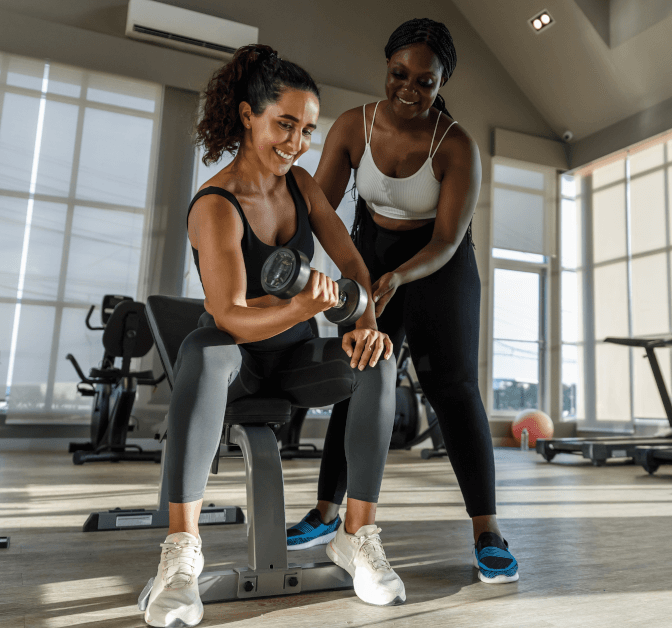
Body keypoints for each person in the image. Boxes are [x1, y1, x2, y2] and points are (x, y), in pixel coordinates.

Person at [143, 44, 404, 628]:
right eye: (284, 124)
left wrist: (365, 326)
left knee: (379, 362)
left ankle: (355, 536)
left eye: (307, 129)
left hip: (292, 361)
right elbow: (231, 315)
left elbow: (353, 263)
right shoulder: (216, 205)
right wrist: (302, 303)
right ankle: (181, 555)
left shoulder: (303, 187)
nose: (296, 142)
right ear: (246, 116)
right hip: (237, 369)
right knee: (205, 347)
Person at [287, 18, 519, 585]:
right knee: (358, 377)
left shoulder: (456, 144)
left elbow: (445, 239)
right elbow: (320, 208)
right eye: (399, 74)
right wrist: (304, 267)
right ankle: (326, 512)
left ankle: (487, 531)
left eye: (426, 81)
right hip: (370, 255)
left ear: (442, 84)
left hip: (438, 267)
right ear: (386, 67)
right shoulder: (352, 125)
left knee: (455, 390)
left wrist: (397, 277)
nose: (409, 89)